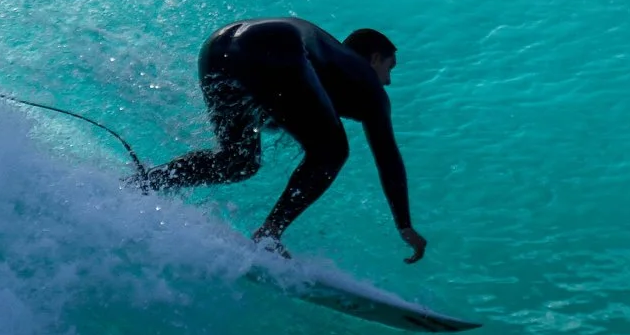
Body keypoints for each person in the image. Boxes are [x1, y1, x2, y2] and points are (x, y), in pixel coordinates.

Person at [145, 18, 428, 262]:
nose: (388, 81)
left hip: (218, 47)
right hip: (273, 46)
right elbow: (387, 155)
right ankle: (270, 235)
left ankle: (146, 184)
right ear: (375, 58)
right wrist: (405, 224)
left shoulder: (327, 65)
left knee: (238, 162)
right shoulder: (364, 76)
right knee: (333, 152)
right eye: (390, 68)